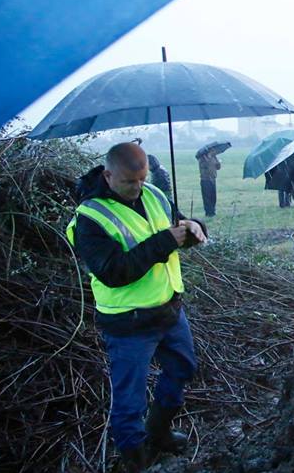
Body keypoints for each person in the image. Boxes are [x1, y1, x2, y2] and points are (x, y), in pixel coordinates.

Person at [66, 143, 207, 471]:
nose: (138, 187)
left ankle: (159, 431)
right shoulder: (90, 217)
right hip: (128, 321)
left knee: (183, 369)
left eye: (142, 178)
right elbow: (114, 272)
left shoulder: (154, 194)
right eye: (129, 181)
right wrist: (166, 241)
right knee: (130, 395)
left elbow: (176, 231)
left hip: (169, 308)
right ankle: (134, 454)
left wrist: (193, 227)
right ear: (108, 175)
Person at [197, 151, 220, 217]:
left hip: (213, 179)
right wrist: (207, 160)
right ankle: (208, 212)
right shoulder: (202, 158)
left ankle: (213, 211)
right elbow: (204, 167)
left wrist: (218, 163)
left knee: (213, 197)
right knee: (207, 197)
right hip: (205, 179)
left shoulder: (214, 157)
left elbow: (218, 167)